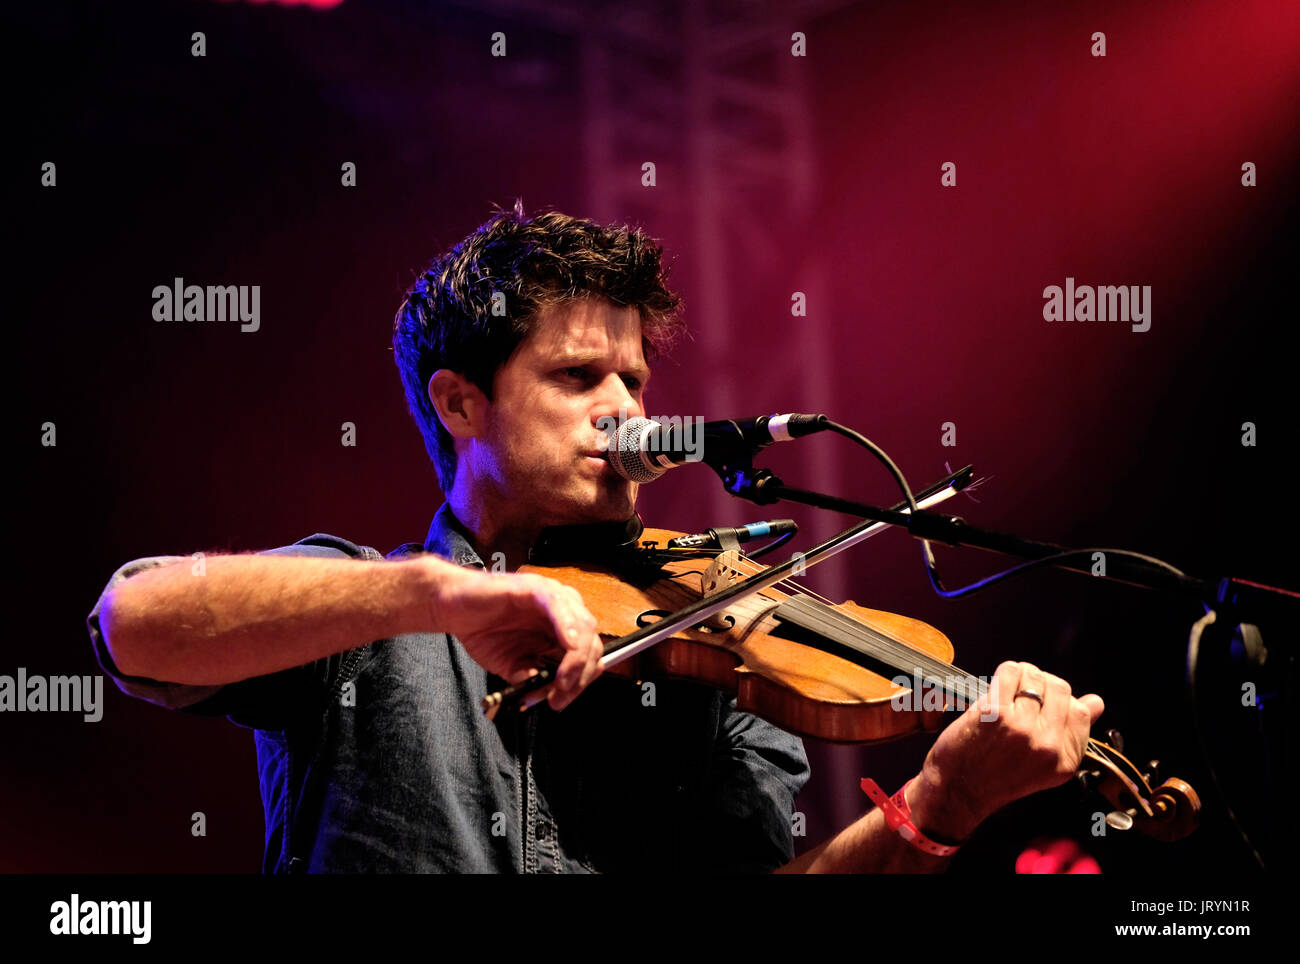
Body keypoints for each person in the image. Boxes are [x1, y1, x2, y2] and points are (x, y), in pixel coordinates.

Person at [87, 202, 1104, 873]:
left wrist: (938, 800)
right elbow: (133, 621)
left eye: (635, 381)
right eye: (578, 378)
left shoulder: (716, 647)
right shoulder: (364, 605)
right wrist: (444, 597)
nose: (625, 411)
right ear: (459, 403)